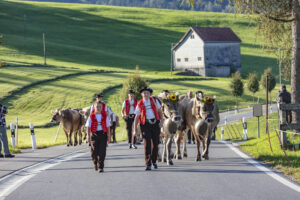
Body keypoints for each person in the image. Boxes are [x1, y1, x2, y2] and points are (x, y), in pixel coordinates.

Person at [133, 86, 163, 171]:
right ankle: (148, 163)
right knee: (147, 145)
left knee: (156, 144)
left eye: (147, 93)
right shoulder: (139, 104)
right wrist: (134, 130)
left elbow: (160, 112)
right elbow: (136, 117)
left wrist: (161, 121)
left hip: (155, 124)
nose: (146, 94)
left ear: (149, 94)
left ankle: (154, 161)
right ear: (142, 94)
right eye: (144, 93)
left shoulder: (154, 101)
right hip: (145, 124)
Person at [85, 101, 111, 173]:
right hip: (94, 135)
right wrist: (88, 136)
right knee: (94, 151)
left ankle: (101, 167)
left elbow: (108, 127)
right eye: (97, 107)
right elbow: (88, 127)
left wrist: (109, 137)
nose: (98, 108)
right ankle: (95, 162)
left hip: (103, 134)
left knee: (102, 151)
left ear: (102, 107)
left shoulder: (105, 116)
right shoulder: (91, 116)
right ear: (94, 107)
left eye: (100, 107)